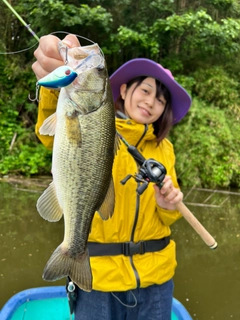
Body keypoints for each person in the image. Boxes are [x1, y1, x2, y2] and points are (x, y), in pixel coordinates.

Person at [32, 34, 191, 320]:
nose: (151, 101)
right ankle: (74, 250)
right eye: (145, 90)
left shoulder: (165, 148)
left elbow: (167, 214)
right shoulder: (100, 122)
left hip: (156, 278)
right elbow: (48, 135)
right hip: (98, 276)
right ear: (125, 89)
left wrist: (169, 206)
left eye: (160, 99)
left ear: (164, 110)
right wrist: (54, 84)